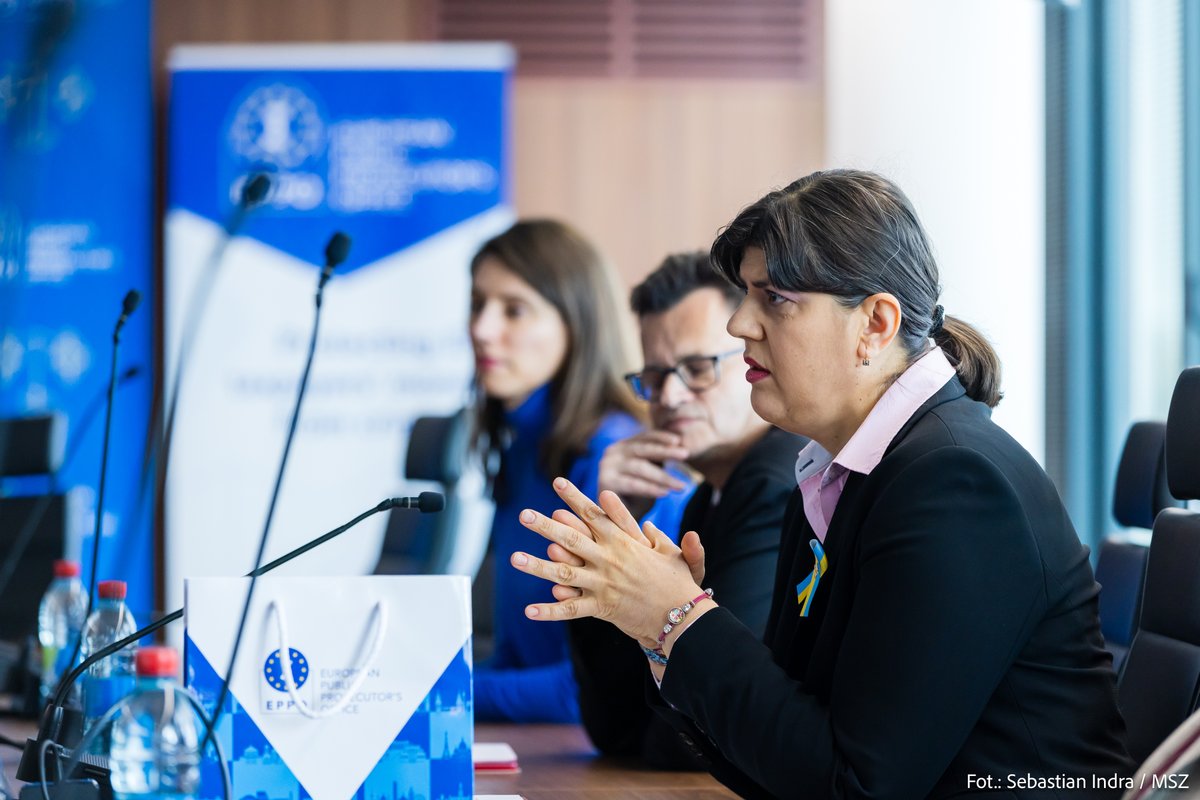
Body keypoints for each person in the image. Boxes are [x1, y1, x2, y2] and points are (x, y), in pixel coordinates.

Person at [509, 170, 1133, 797]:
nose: (739, 325)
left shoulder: (954, 482)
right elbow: (784, 758)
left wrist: (680, 617)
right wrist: (660, 628)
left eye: (774, 297)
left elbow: (856, 787)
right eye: (746, 294)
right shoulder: (834, 474)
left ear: (875, 325)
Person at [569, 251, 806, 768]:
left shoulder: (773, 484)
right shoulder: (709, 496)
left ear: (753, 357)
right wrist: (614, 536)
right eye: (654, 377)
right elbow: (615, 727)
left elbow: (707, 734)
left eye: (697, 369)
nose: (670, 396)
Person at [467, 218, 644, 723]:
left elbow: (590, 688)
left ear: (576, 322)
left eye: (514, 310)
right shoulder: (522, 444)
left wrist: (438, 690)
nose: (481, 329)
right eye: (478, 304)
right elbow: (516, 656)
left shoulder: (613, 454)